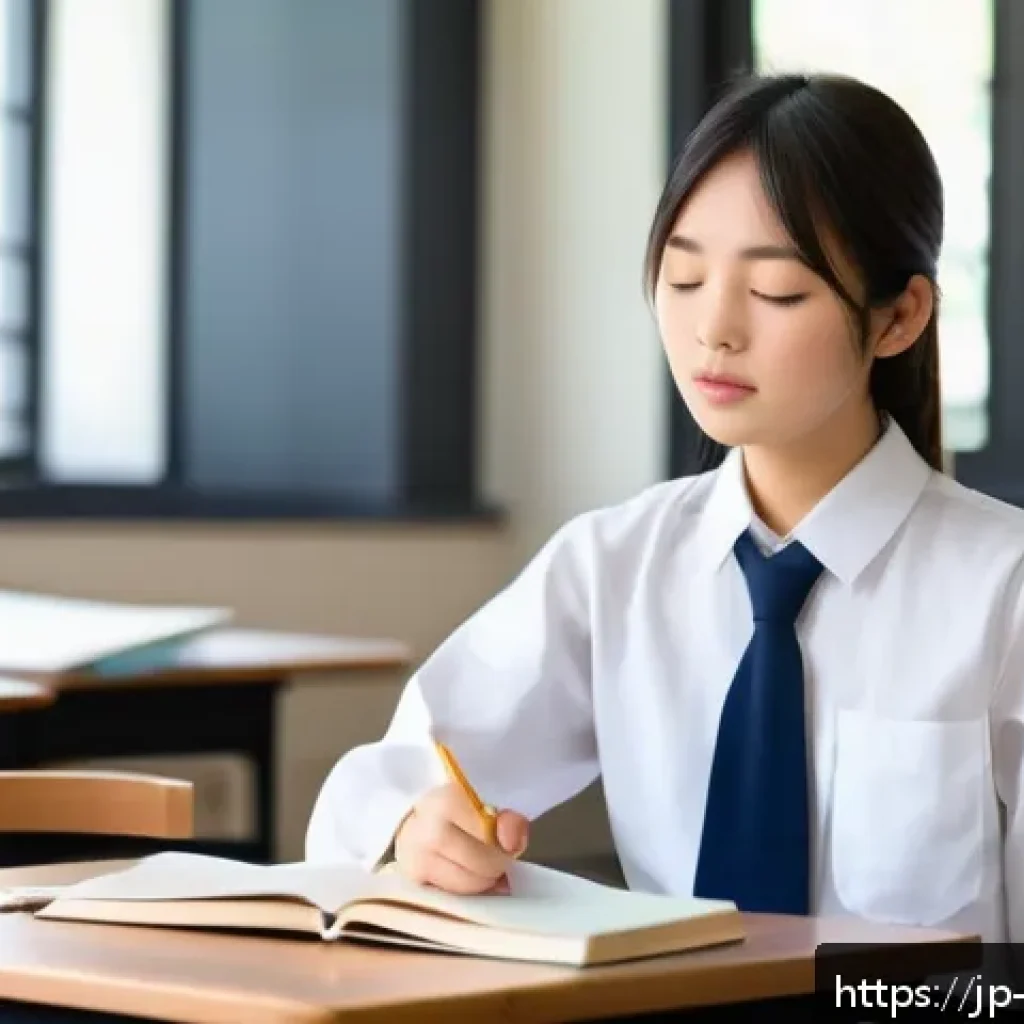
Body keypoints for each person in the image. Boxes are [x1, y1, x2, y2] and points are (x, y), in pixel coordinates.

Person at [306, 72, 1024, 944]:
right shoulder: (611, 567)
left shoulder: (1003, 590)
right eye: (683, 279)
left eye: (777, 292)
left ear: (898, 317)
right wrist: (416, 832)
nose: (713, 329)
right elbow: (391, 782)